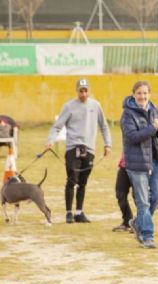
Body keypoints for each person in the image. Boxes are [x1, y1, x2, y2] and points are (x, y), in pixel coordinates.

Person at [47, 78, 112, 223]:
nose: (83, 94)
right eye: (80, 91)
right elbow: (57, 126)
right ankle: (68, 212)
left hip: (89, 149)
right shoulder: (69, 107)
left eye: (85, 90)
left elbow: (104, 126)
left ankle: (79, 212)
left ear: (89, 90)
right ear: (77, 91)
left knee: (83, 181)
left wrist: (108, 144)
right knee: (72, 180)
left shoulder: (96, 106)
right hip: (73, 148)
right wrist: (50, 141)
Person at [121, 81, 158, 249]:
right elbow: (133, 137)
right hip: (136, 163)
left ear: (150, 94)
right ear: (134, 94)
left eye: (145, 93)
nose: (142, 96)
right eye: (139, 93)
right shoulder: (128, 114)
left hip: (155, 161)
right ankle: (147, 236)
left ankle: (136, 222)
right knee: (143, 202)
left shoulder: (155, 110)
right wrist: (153, 127)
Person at [112, 154, 134, 233]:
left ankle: (140, 224)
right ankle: (127, 221)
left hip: (139, 167)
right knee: (120, 193)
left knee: (138, 197)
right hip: (124, 165)